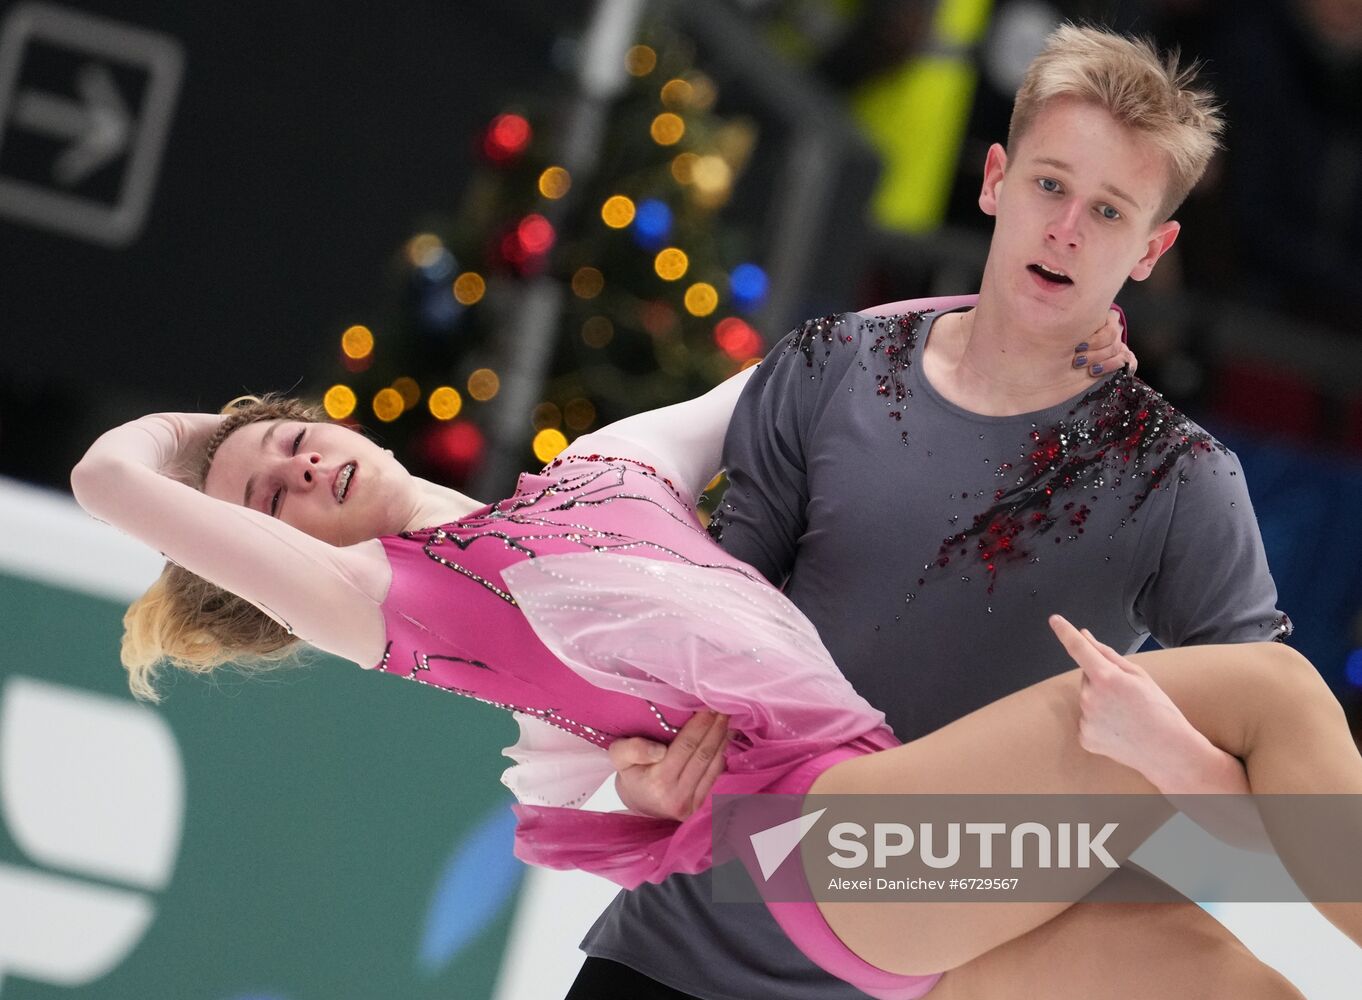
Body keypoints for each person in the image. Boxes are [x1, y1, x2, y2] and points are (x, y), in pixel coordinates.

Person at [72, 370, 1361, 1000]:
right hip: (852, 850)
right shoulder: (389, 602)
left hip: (873, 889)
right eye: (267, 498)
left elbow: (823, 363)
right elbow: (104, 483)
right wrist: (206, 447)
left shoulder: (601, 469)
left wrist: (1035, 343)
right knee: (1274, 696)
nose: (298, 470)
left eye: (293, 440)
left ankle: (1242, 844)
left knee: (1244, 970)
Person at [568, 24, 1309, 1000]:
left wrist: (1171, 758)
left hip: (900, 981)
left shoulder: (1178, 480)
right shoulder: (833, 366)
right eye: (1050, 185)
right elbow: (706, 644)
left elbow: (1277, 807)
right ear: (995, 178)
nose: (1066, 229)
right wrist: (640, 781)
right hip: (672, 947)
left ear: (1151, 248)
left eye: (1109, 209)